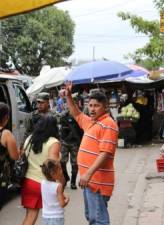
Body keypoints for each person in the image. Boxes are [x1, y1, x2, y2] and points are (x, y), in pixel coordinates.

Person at [65, 82, 119, 225]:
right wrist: (69, 96)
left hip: (97, 181)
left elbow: (105, 153)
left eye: (97, 106)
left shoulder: (108, 124)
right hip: (89, 181)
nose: (92, 109)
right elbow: (76, 113)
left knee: (98, 220)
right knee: (91, 216)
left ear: (105, 107)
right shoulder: (92, 122)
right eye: (90, 105)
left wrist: (88, 173)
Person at [21, 115, 63, 225]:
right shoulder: (53, 142)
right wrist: (60, 184)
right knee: (51, 217)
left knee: (29, 215)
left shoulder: (29, 139)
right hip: (43, 184)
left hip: (28, 181)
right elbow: (52, 167)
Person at [59, 93, 83, 189]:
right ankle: (65, 177)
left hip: (75, 143)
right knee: (62, 162)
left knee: (74, 163)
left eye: (75, 103)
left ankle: (73, 182)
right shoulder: (64, 115)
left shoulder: (81, 116)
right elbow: (61, 129)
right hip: (65, 141)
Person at [40, 159, 70, 225]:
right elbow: (62, 204)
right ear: (53, 174)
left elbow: (51, 193)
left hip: (45, 216)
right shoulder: (58, 186)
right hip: (56, 218)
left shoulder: (42, 183)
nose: (61, 172)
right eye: (59, 170)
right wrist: (67, 200)